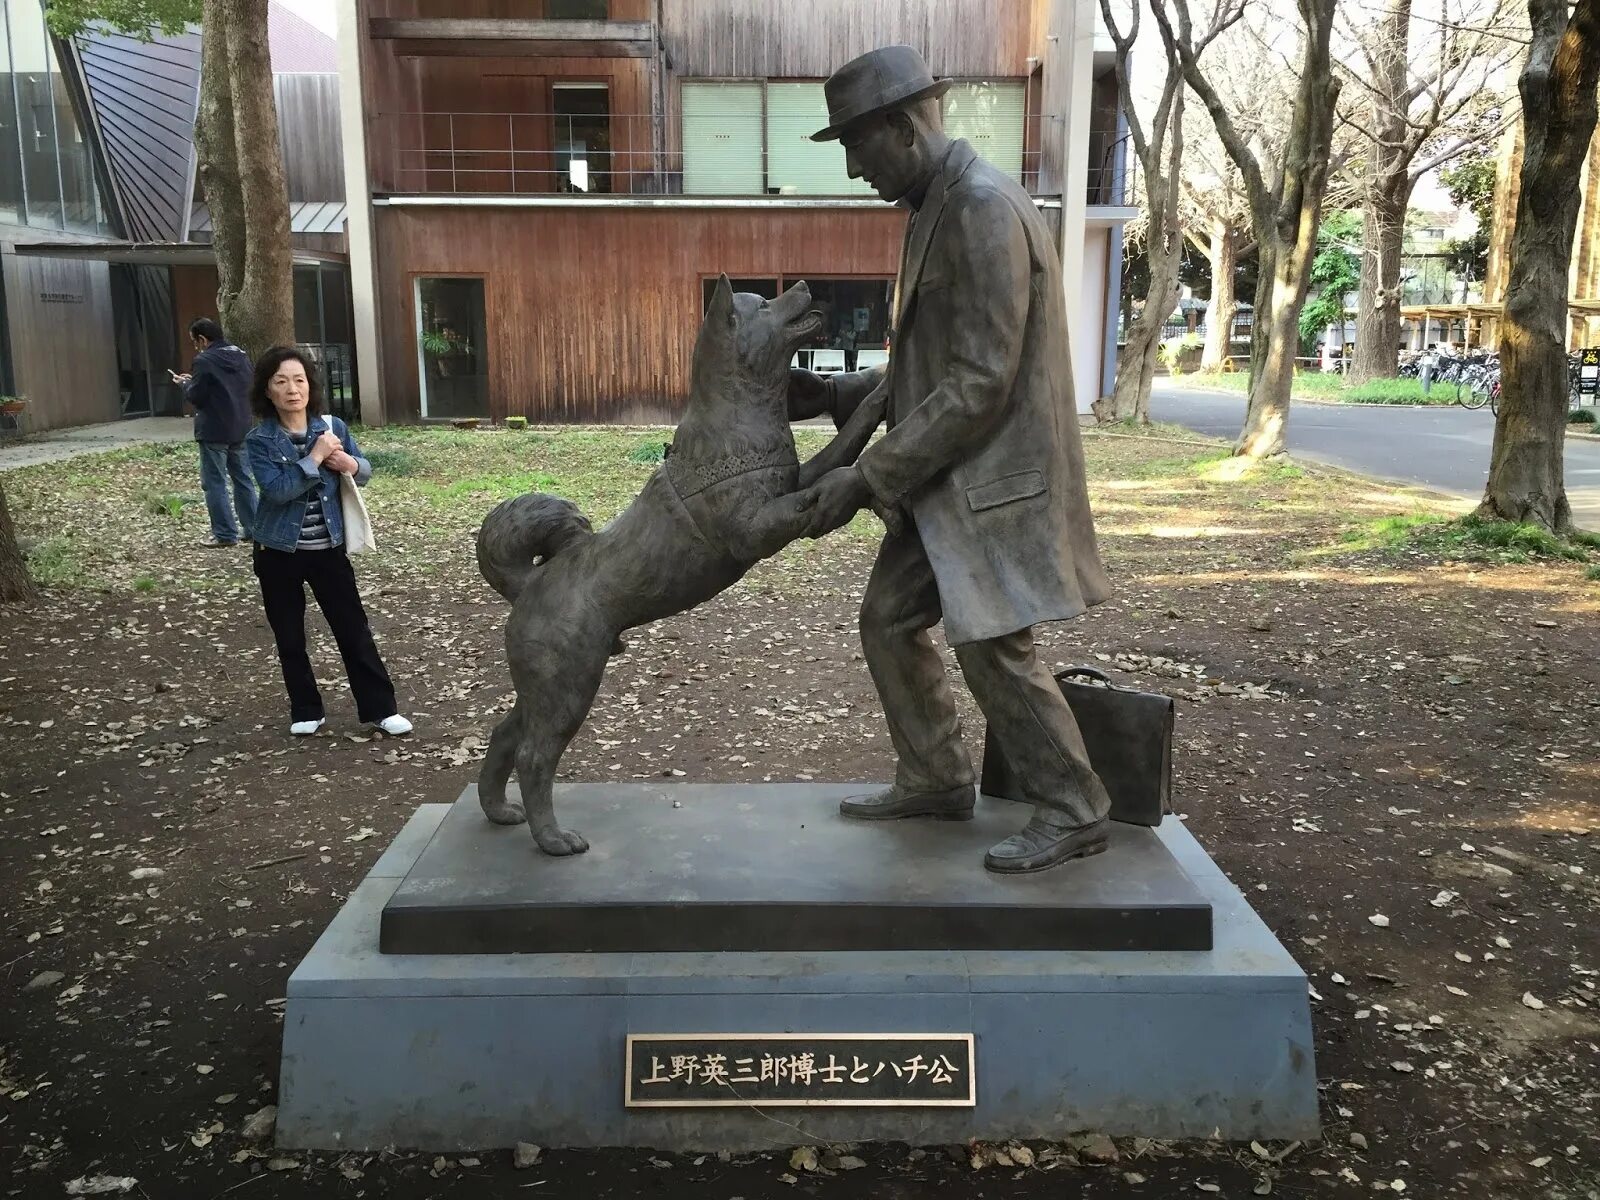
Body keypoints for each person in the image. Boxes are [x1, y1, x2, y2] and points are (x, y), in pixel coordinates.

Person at [792, 45, 1114, 875]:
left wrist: (866, 476)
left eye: (858, 146)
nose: (856, 167)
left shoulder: (977, 206)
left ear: (901, 126)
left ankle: (1076, 805)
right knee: (890, 619)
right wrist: (833, 396)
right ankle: (936, 777)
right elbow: (926, 361)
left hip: (990, 482)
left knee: (993, 647)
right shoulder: (935, 203)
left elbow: (978, 383)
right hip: (945, 484)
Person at [245, 346, 412, 739]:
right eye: (281, 381)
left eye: (299, 380)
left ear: (310, 385)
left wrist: (350, 464)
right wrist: (316, 458)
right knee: (289, 635)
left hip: (328, 549)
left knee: (353, 629)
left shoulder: (333, 426)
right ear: (267, 391)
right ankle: (305, 708)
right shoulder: (260, 441)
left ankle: (381, 709)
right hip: (278, 552)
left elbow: (364, 470)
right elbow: (277, 490)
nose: (292, 389)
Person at [172, 318, 257, 548]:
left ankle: (225, 533)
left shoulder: (204, 360)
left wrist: (184, 384)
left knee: (215, 482)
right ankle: (253, 529)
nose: (195, 347)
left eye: (194, 341)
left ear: (202, 339)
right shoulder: (240, 355)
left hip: (213, 429)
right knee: (243, 479)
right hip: (240, 425)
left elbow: (197, 396)